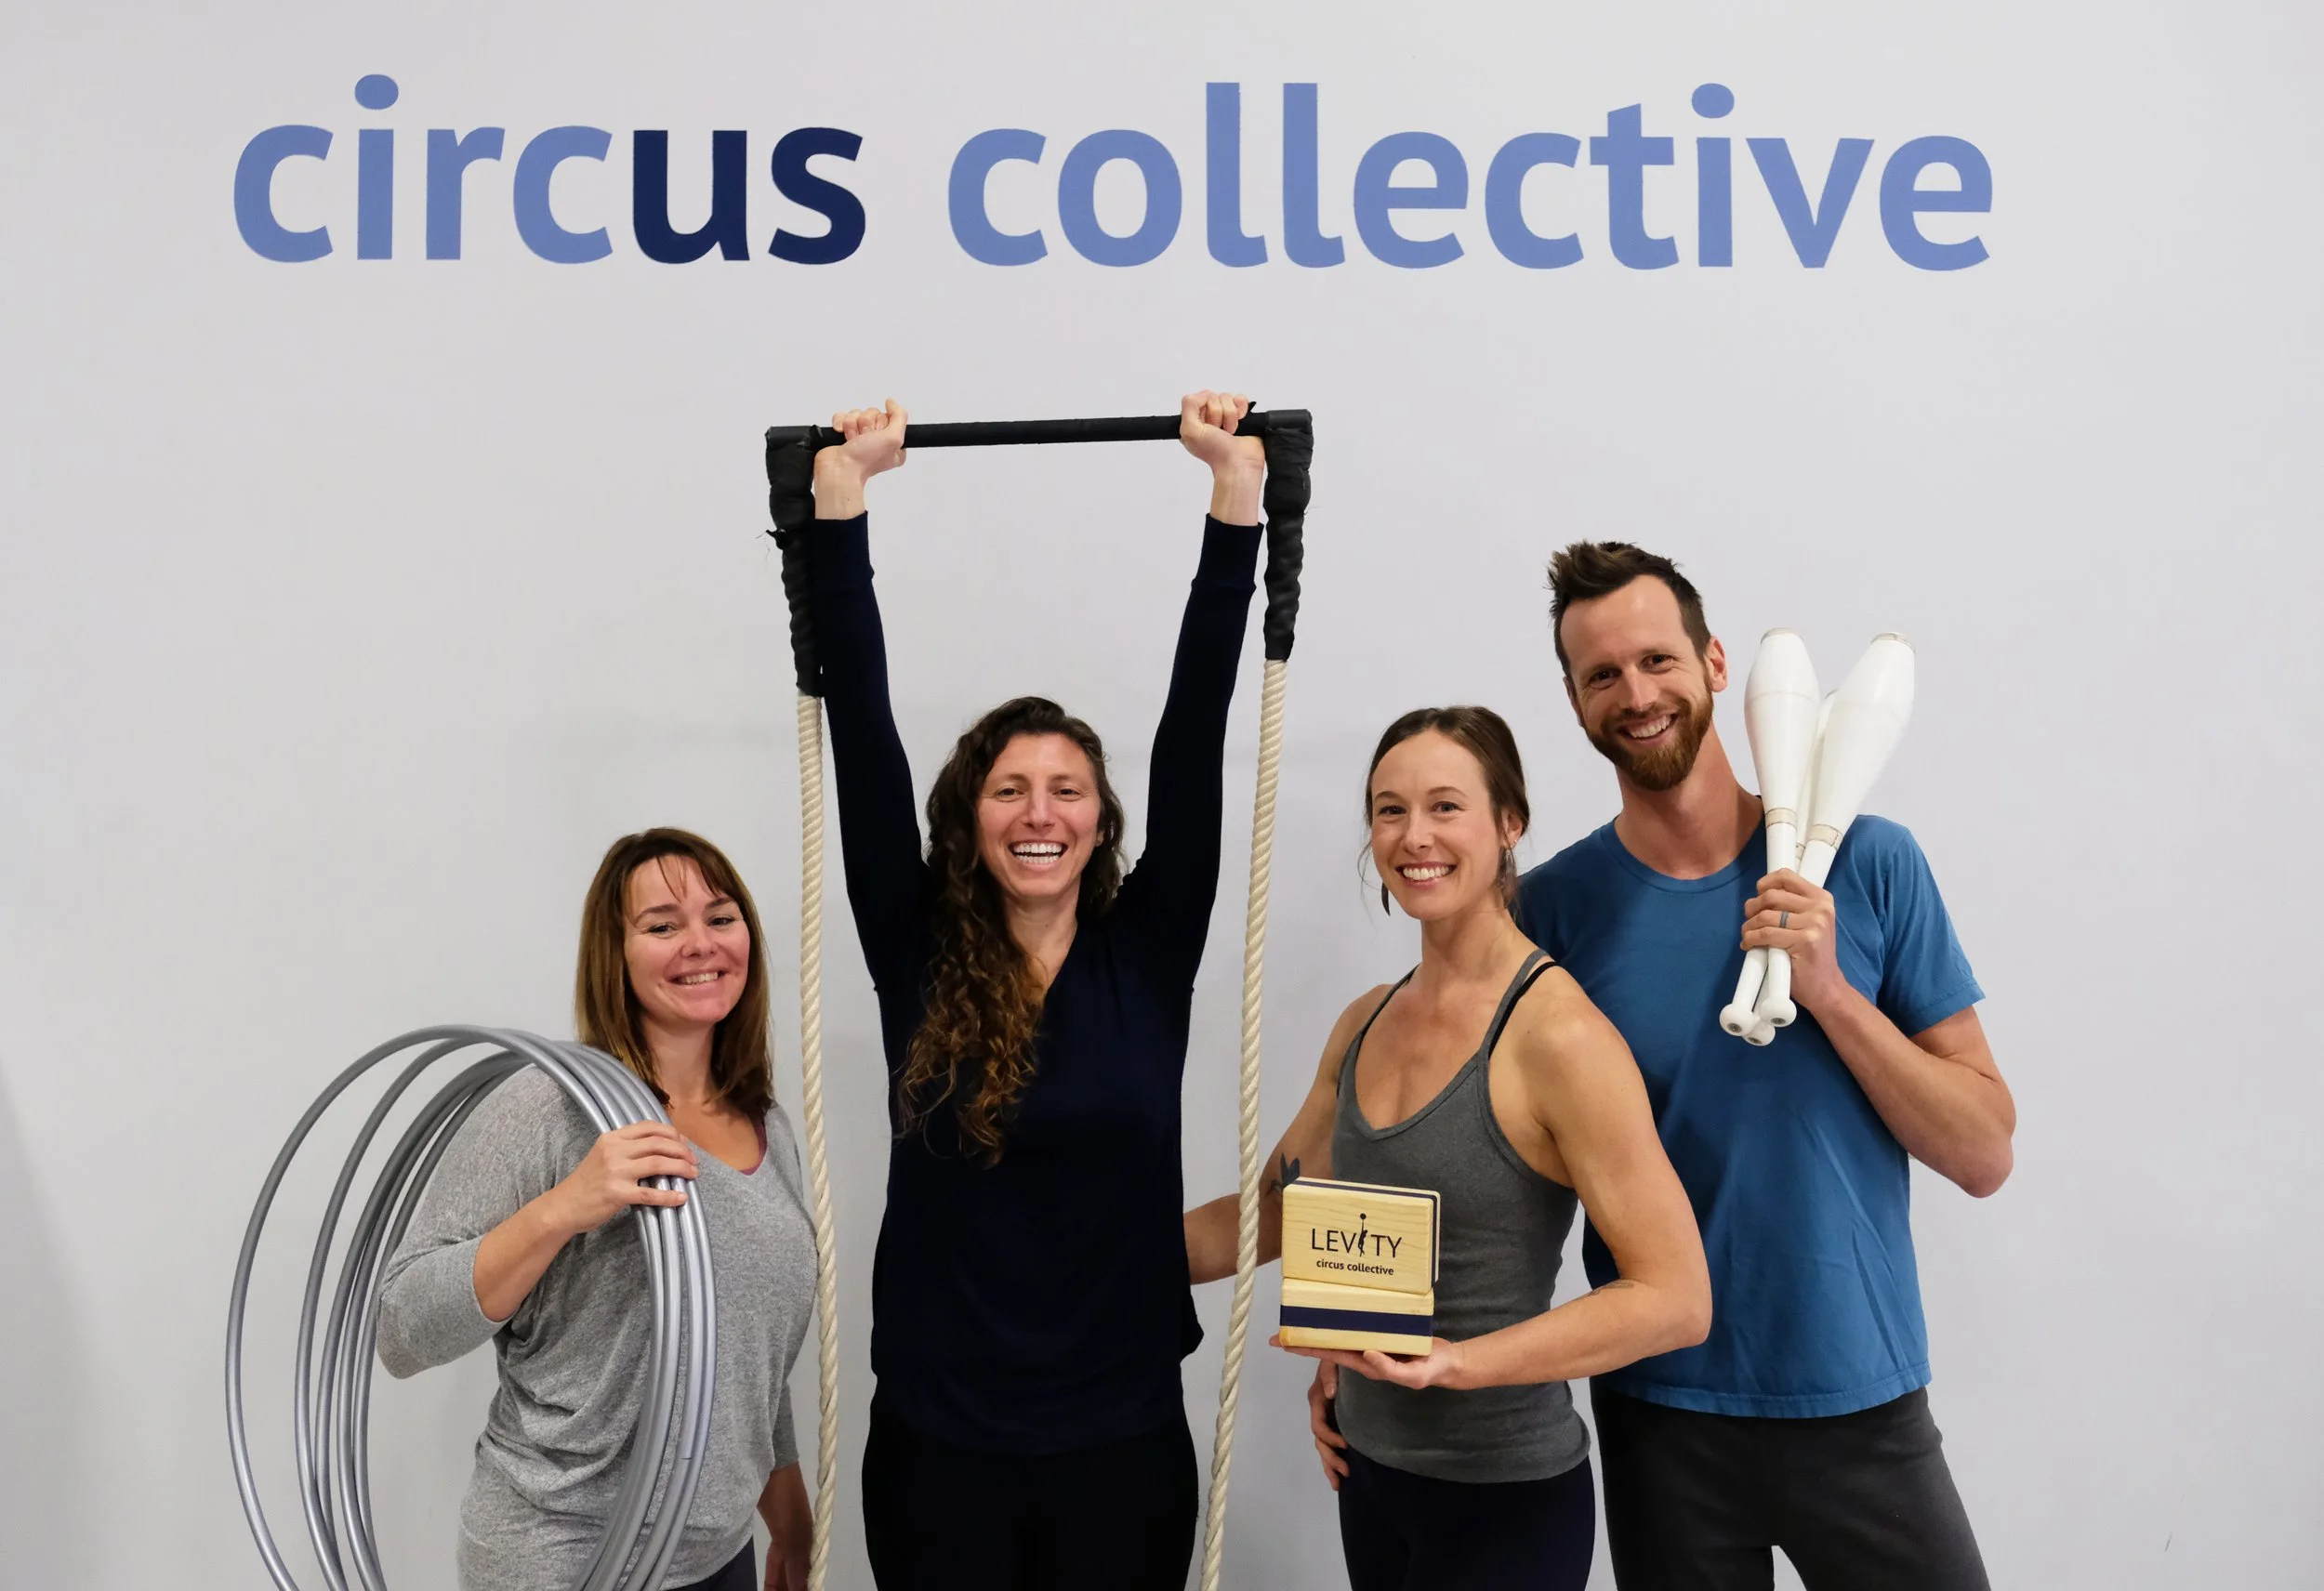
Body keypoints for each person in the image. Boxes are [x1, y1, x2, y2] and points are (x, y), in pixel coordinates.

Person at [803, 393, 1265, 1591]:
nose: (1040, 812)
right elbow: (861, 727)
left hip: (1117, 1439)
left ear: (1103, 820)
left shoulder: (1149, 951)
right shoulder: (914, 948)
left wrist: (1232, 504)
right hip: (938, 1441)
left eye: (1067, 788)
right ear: (968, 816)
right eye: (1009, 789)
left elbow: (1193, 730)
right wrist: (839, 511)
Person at [1517, 542, 2015, 1591]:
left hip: (1859, 1402)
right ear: (1571, 700)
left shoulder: (1874, 864)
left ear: (1712, 663)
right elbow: (1503, 1172)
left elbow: (1982, 1150)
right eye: (1601, 674)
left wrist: (1831, 989)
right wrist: (1361, 1331)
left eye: (1657, 659)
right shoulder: (1553, 911)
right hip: (1661, 1417)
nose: (1636, 693)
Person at [1183, 704, 1711, 1591]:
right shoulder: (1366, 1021)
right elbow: (1276, 1213)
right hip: (1370, 1475)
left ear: (1509, 823)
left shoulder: (1559, 1038)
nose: (1413, 835)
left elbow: (1674, 1299)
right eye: (1390, 810)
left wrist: (1456, 1365)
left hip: (1502, 1499)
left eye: (1444, 806)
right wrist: (1093, 1263)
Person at [378, 828, 816, 1591]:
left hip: (716, 1555)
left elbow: (750, 1349)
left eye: (720, 917)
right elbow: (401, 1328)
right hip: (563, 1556)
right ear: (614, 954)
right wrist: (564, 1209)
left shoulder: (766, 1125)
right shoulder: (548, 1107)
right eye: (661, 926)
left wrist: (788, 1515)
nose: (699, 944)